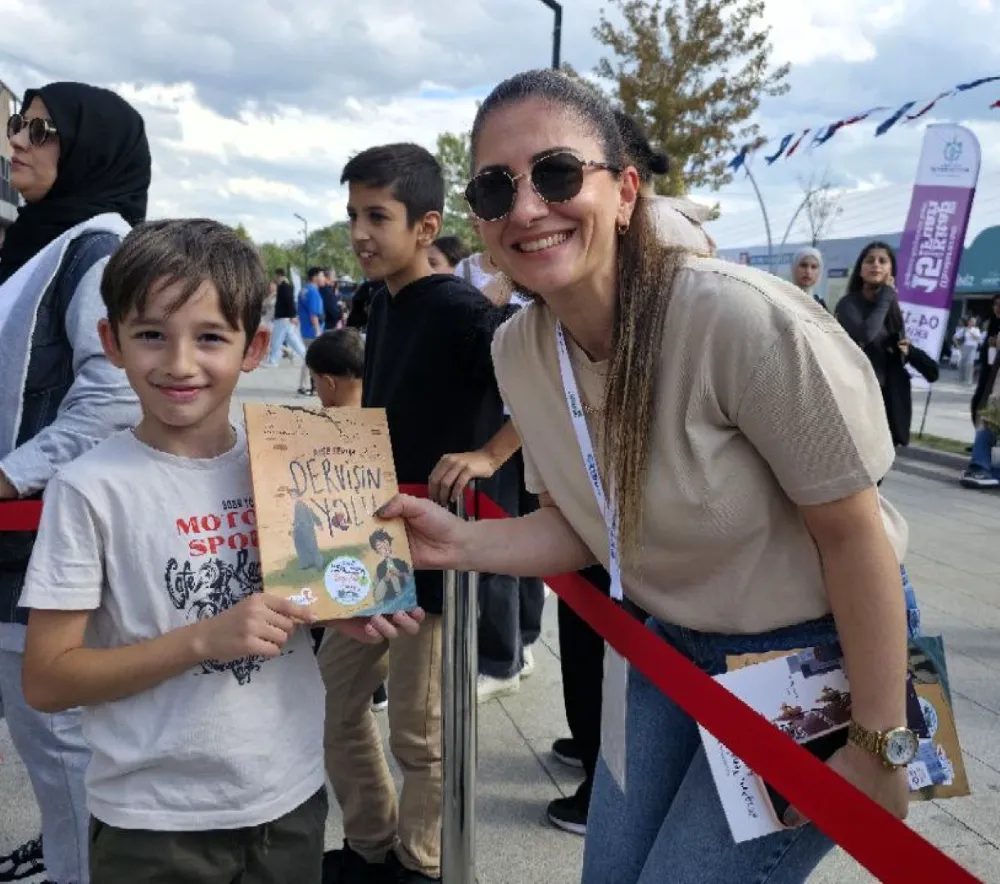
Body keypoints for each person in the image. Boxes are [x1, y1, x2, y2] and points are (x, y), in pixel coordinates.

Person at [379, 69, 917, 884]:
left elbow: (855, 534)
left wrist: (881, 744)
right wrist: (461, 543)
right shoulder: (519, 349)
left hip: (812, 655)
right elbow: (584, 523)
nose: (526, 208)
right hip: (661, 645)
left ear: (625, 190)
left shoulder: (735, 318)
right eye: (495, 188)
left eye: (557, 173)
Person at [17, 219, 423, 884]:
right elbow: (48, 678)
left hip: (287, 795)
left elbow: (294, 603)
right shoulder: (87, 490)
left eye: (210, 337)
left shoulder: (296, 461)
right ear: (111, 343)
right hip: (153, 821)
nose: (179, 363)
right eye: (151, 334)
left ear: (255, 346)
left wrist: (330, 608)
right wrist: (204, 640)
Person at [319, 142, 512, 884]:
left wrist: (491, 455)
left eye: (378, 216)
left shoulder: (467, 313)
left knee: (420, 733)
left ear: (427, 227)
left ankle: (420, 861)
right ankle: (371, 842)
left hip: (435, 549)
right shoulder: (379, 301)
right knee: (337, 706)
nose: (360, 232)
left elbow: (550, 386)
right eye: (353, 216)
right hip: (366, 535)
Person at [0, 81, 151, 884]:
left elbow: (112, 399)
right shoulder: (40, 239)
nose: (19, 141)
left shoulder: (97, 250)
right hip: (21, 538)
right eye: (19, 125)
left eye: (41, 130)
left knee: (61, 746)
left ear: (90, 147)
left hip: (41, 543)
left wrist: (8, 473)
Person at [305, 328, 390, 712]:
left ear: (328, 382)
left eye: (313, 381)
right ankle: (376, 689)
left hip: (338, 554)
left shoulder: (325, 430)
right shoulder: (384, 419)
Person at [835, 241, 939, 449]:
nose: (876, 265)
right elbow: (866, 334)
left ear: (891, 270)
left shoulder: (891, 308)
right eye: (870, 260)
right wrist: (886, 297)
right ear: (860, 270)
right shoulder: (849, 304)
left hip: (888, 405)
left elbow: (932, 372)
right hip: (858, 401)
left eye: (883, 261)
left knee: (876, 477)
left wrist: (908, 351)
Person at [262, 267, 308, 367]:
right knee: (292, 340)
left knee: (276, 340)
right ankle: (306, 356)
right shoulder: (284, 286)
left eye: (276, 276)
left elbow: (289, 302)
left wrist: (292, 315)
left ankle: (273, 361)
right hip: (284, 317)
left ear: (279, 275)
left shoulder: (285, 287)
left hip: (283, 318)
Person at [297, 267, 326, 394]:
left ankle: (304, 385)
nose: (323, 278)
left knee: (308, 358)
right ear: (314, 277)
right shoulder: (313, 292)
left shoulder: (303, 290)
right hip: (313, 330)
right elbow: (314, 314)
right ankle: (308, 386)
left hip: (305, 330)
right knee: (312, 359)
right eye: (321, 275)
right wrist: (318, 331)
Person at [954, 316, 983, 386]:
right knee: (962, 363)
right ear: (968, 322)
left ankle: (969, 380)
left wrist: (971, 332)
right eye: (971, 321)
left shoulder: (976, 330)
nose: (973, 322)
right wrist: (957, 346)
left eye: (974, 321)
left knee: (969, 363)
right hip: (964, 347)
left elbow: (978, 338)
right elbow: (955, 337)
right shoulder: (964, 329)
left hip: (972, 347)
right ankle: (961, 378)